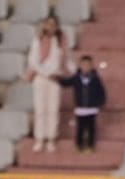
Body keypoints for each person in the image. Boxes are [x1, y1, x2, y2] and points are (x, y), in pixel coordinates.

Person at [24, 14, 69, 153]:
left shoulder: (61, 40)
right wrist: (45, 72)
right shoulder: (38, 39)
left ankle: (51, 139)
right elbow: (33, 60)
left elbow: (63, 60)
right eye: (48, 24)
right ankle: (39, 139)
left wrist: (56, 72)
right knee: (40, 109)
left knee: (53, 109)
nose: (51, 27)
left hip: (54, 78)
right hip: (40, 77)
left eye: (53, 24)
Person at [56, 55, 107, 152]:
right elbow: (66, 83)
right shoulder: (76, 78)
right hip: (80, 108)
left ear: (91, 66)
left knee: (91, 128)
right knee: (80, 128)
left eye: (88, 65)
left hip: (92, 108)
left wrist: (101, 102)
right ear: (80, 66)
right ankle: (79, 145)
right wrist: (58, 79)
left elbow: (101, 91)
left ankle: (90, 146)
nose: (86, 67)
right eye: (84, 65)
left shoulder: (96, 79)